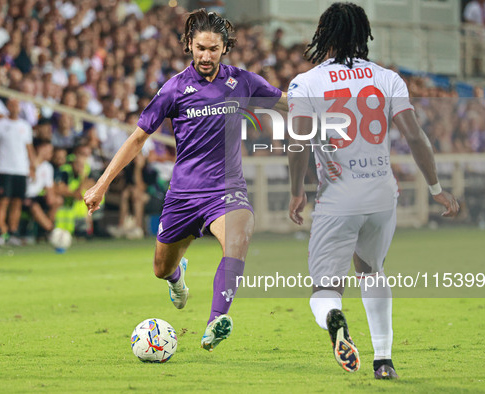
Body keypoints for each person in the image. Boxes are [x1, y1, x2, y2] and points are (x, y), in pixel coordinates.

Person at [84, 9, 287, 351]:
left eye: (213, 49)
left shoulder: (244, 82)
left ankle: (216, 321)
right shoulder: (174, 89)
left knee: (236, 241)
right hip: (183, 195)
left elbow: (287, 103)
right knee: (161, 268)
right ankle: (177, 278)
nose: (206, 56)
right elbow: (136, 139)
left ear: (225, 48)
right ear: (189, 45)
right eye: (200, 48)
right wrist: (101, 184)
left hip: (226, 190)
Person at [287, 2, 459, 380]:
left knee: (324, 288)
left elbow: (298, 141)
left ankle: (334, 320)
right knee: (372, 272)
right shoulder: (387, 78)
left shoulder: (308, 82)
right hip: (382, 194)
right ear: (363, 34)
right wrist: (436, 188)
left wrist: (297, 190)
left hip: (338, 197)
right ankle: (384, 361)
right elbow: (415, 136)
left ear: (325, 35)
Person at [0, 98, 34, 246]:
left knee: (17, 202)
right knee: (3, 201)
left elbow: (29, 148)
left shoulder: (25, 126)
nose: (14, 107)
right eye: (11, 104)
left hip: (21, 169)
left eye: (16, 105)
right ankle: (0, 232)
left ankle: (13, 232)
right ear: (7, 107)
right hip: (5, 168)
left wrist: (32, 167)